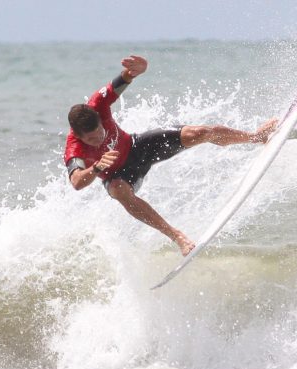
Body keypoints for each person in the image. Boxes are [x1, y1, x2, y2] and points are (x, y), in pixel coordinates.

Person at [64, 55, 278, 256]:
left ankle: (255, 137)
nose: (99, 139)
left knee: (200, 133)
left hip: (138, 146)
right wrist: (97, 167)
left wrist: (136, 71)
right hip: (120, 175)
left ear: (100, 120)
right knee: (119, 191)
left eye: (100, 132)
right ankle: (177, 236)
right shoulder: (74, 148)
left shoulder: (97, 105)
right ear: (78, 135)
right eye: (91, 140)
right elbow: (76, 182)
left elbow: (123, 79)